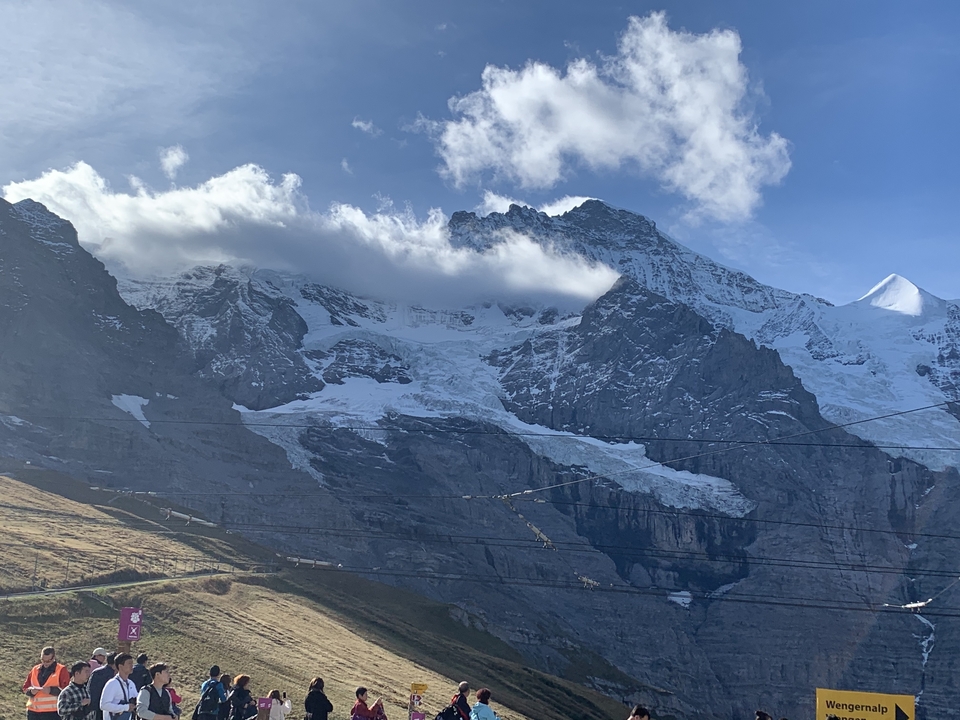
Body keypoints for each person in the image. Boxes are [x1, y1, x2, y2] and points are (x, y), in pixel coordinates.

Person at [23, 645, 70, 720]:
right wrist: (31, 691)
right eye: (43, 660)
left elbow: (67, 691)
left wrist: (51, 690)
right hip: (33, 712)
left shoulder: (61, 669)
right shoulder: (35, 669)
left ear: (53, 658)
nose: (45, 663)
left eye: (48, 661)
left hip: (52, 712)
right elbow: (25, 688)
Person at [100, 653, 138, 720]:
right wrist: (125, 707)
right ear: (120, 666)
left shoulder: (131, 683)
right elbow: (103, 705)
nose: (132, 666)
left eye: (132, 663)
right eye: (129, 663)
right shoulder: (112, 683)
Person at [88, 653, 117, 720]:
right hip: (111, 710)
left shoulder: (96, 672)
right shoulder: (115, 675)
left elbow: (90, 690)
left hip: (97, 708)